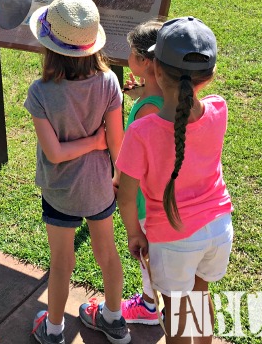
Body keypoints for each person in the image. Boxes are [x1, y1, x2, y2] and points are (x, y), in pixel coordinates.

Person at [115, 17, 234, 344]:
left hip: (173, 237)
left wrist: (134, 234)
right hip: (219, 229)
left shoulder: (141, 131)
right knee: (199, 296)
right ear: (207, 78)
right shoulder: (219, 108)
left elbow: (126, 196)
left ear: (156, 70)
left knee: (177, 309)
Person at [23, 0, 130, 344]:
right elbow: (117, 143)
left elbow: (53, 154)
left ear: (49, 46)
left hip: (59, 193)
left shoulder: (40, 92)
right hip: (99, 189)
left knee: (61, 262)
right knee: (107, 253)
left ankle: (53, 330)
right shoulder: (110, 82)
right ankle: (114, 320)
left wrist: (87, 145)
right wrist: (107, 161)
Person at [117, 20, 165, 325]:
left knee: (153, 259)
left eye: (132, 53)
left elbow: (135, 159)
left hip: (150, 201)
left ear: (145, 61)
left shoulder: (148, 111)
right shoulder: (168, 96)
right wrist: (142, 91)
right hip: (202, 224)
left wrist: (119, 180)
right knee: (197, 291)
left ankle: (149, 305)